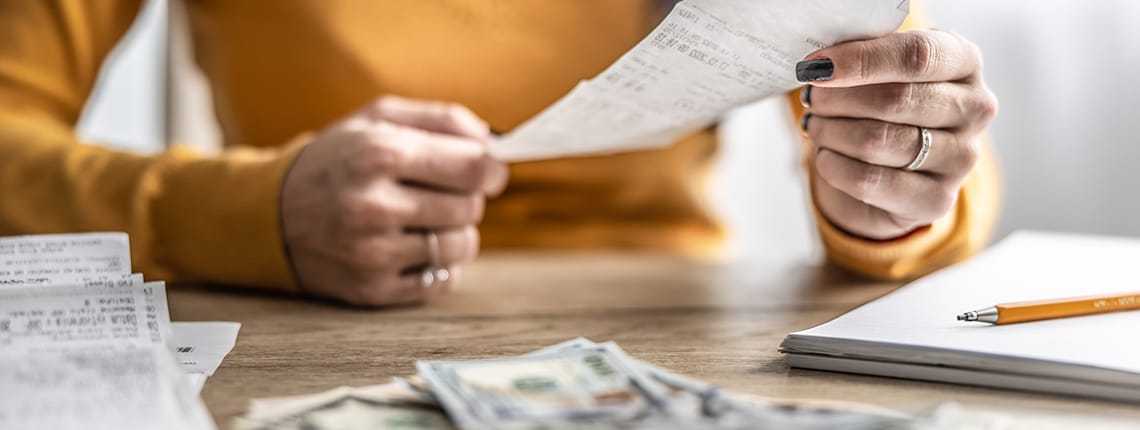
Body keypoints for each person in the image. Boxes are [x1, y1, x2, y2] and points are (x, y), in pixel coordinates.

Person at [0, 1, 998, 306]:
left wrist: (896, 191)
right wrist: (247, 213)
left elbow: (915, 124)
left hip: (672, 331)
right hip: (292, 324)